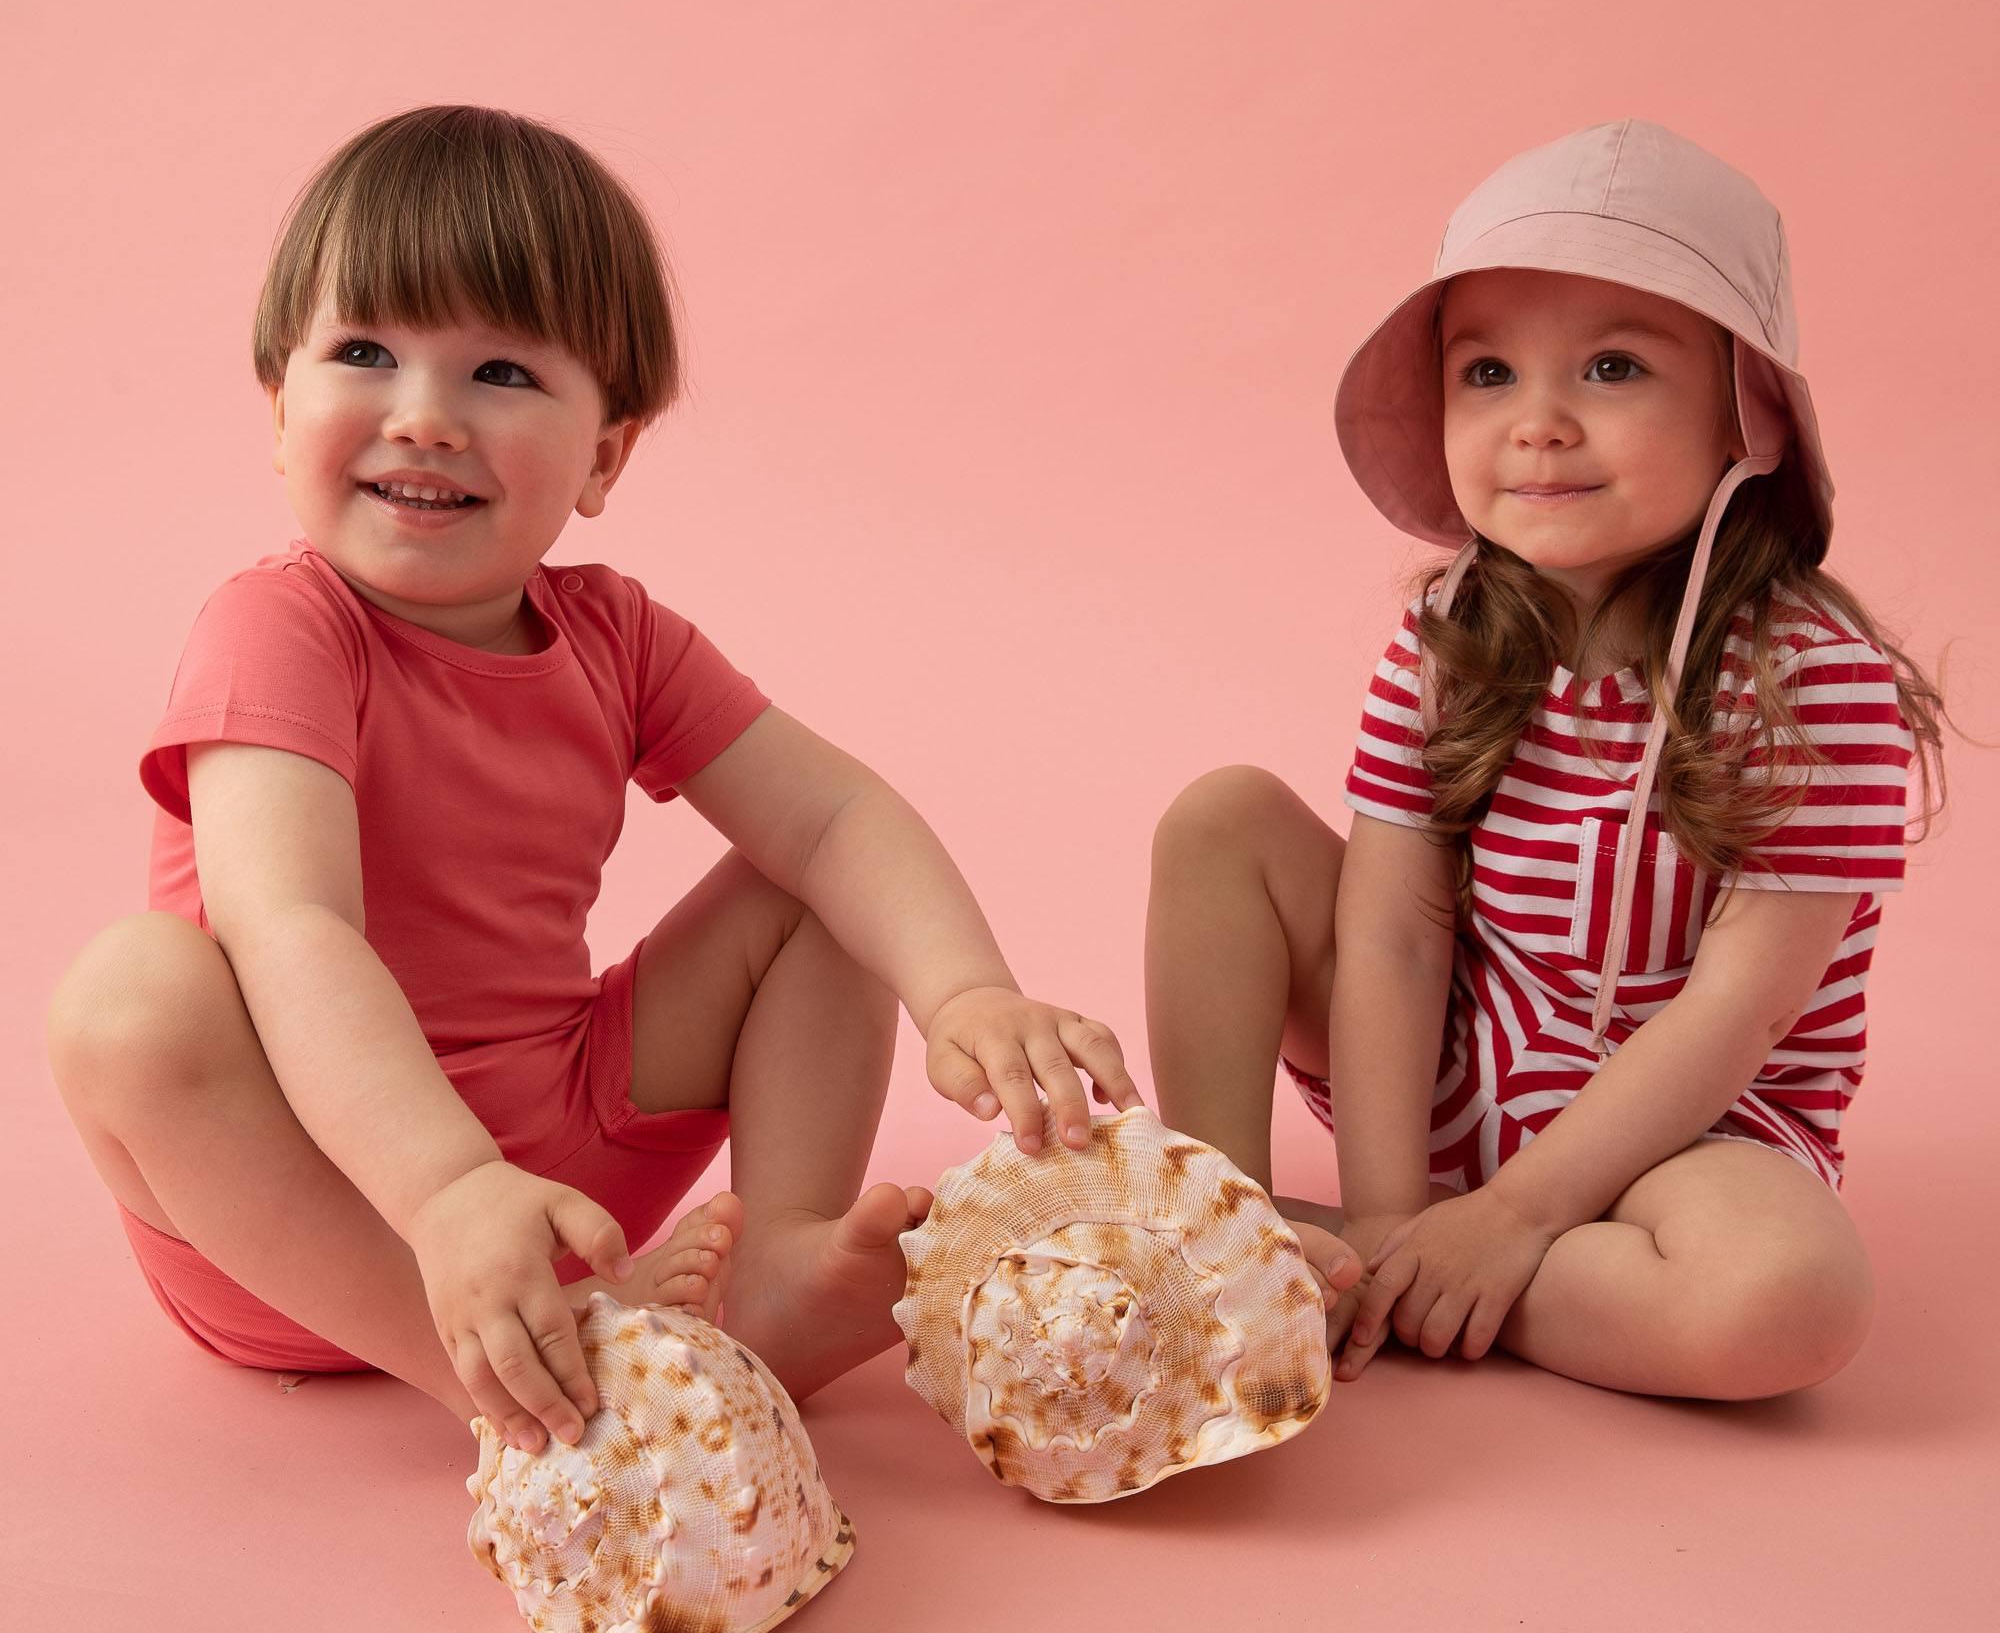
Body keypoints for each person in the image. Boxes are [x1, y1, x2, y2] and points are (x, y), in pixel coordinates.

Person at [45, 103, 1141, 1461]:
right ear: (279, 408)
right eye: (367, 352)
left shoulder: (615, 634)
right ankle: (508, 1382)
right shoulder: (281, 627)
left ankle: (772, 1269)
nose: (426, 416)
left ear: (607, 452)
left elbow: (838, 812)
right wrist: (447, 1190)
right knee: (127, 997)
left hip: (560, 1177)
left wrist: (965, 987)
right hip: (302, 1211)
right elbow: (292, 929)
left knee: (815, 885)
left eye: (500, 371)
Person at [1144, 118, 1947, 1399]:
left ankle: (1410, 1276)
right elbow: (1396, 927)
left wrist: (1512, 1217)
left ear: (1751, 414)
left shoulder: (1809, 683)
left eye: (1614, 367)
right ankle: (1218, 1230)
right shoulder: (1450, 632)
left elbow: (1737, 1011)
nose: (1539, 425)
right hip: (1450, 1077)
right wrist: (1398, 1198)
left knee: (1790, 1303)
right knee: (1220, 818)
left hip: (1683, 1137)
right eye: (1487, 375)